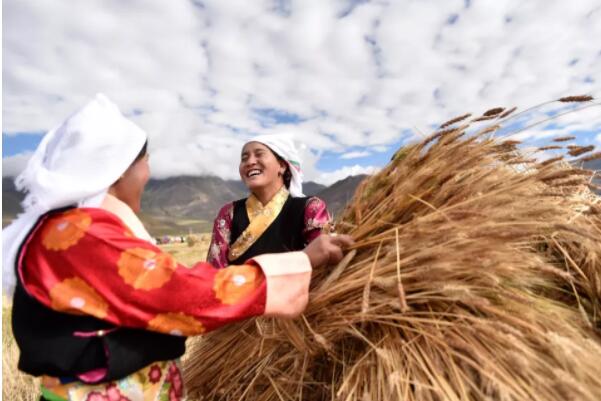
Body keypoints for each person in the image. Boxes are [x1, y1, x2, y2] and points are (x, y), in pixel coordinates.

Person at [2, 94, 352, 401]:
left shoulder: (74, 229)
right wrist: (299, 262)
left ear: (284, 168)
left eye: (259, 154)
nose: (149, 173)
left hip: (291, 338)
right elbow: (181, 291)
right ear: (119, 169)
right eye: (145, 162)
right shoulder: (84, 234)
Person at [207, 135, 332, 268]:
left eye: (259, 154)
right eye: (244, 158)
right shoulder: (229, 213)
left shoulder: (310, 208)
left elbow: (323, 265)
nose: (250, 162)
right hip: (234, 288)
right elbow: (214, 273)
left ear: (282, 166)